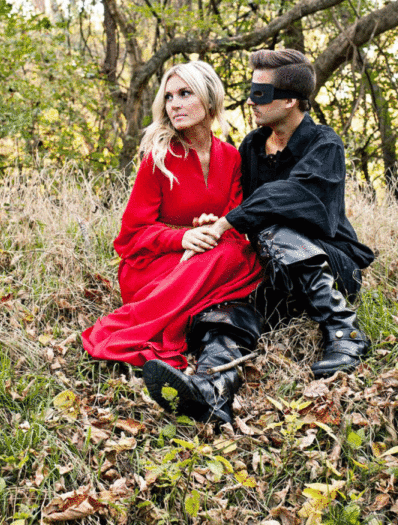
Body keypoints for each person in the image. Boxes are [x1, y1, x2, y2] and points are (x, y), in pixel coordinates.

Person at [144, 49, 375, 421]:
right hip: (275, 274)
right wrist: (214, 220)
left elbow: (287, 197)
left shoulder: (324, 145)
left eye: (261, 94)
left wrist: (230, 220)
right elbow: (238, 205)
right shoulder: (251, 146)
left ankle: (345, 333)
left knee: (274, 227)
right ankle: (212, 387)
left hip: (332, 267)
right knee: (225, 309)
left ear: (289, 100)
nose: (251, 100)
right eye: (252, 91)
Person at [82, 60, 263, 424]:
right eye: (168, 97)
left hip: (206, 259)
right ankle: (131, 328)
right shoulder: (159, 158)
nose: (174, 104)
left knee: (240, 253)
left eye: (185, 94)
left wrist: (213, 226)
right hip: (155, 267)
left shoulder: (231, 157)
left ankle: (208, 380)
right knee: (234, 261)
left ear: (209, 101)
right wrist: (183, 238)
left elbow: (234, 217)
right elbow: (131, 236)